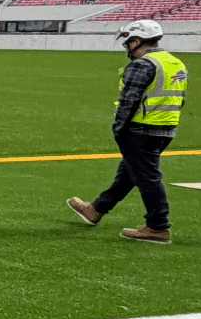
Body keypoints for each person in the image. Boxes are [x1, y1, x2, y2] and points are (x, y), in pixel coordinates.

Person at [66, 18, 186, 243]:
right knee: (129, 172)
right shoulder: (175, 63)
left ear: (138, 41)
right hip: (166, 128)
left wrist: (119, 129)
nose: (127, 48)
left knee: (147, 178)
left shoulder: (142, 65)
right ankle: (96, 209)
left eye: (129, 42)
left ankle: (158, 227)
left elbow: (129, 101)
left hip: (141, 130)